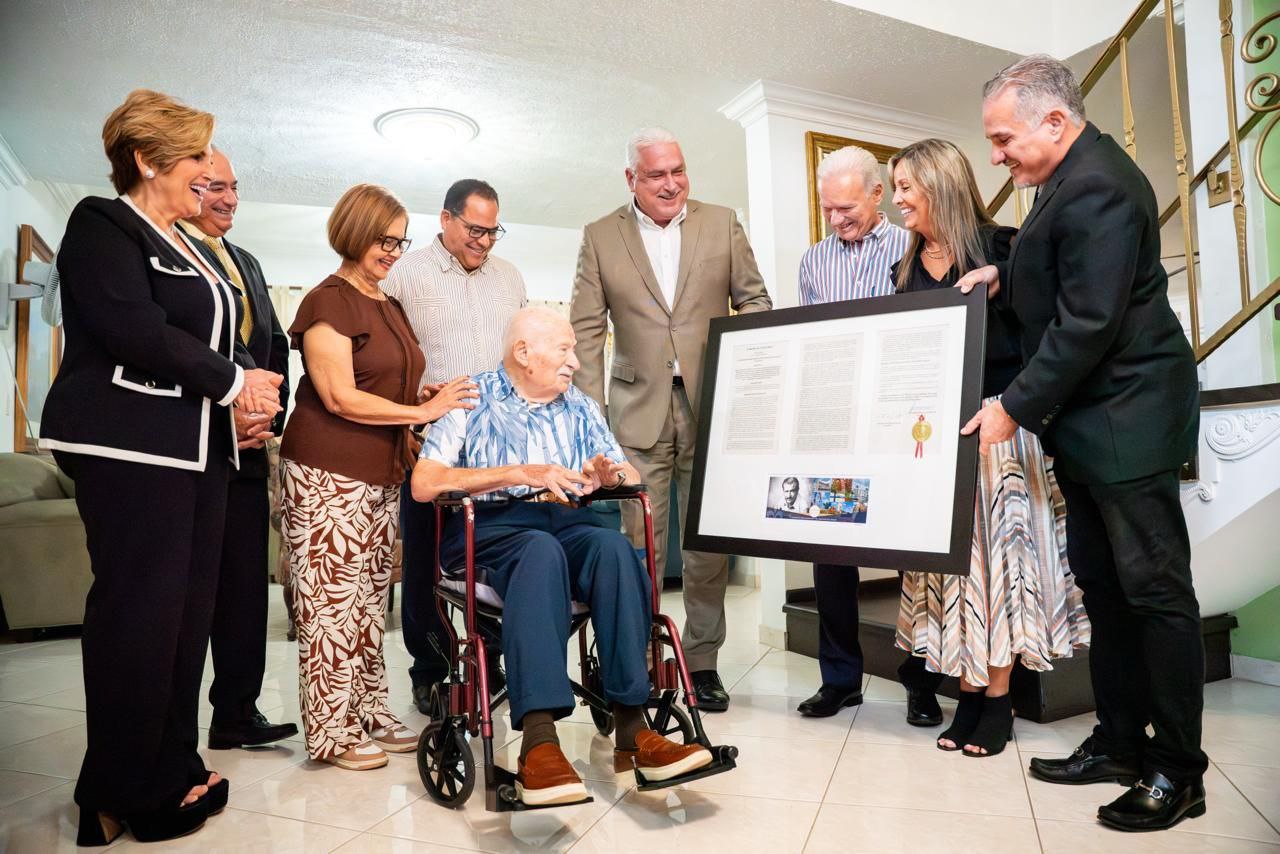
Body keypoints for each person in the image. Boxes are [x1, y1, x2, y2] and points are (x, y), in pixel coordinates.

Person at [958, 55, 1205, 830]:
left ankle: (1177, 773)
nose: (996, 155)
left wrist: (1013, 408)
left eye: (1003, 139)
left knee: (1155, 596)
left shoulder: (1098, 182)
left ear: (1055, 122)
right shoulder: (1066, 179)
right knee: (1104, 587)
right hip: (1097, 425)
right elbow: (1062, 269)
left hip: (1129, 420)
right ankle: (1121, 741)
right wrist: (1002, 276)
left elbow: (1088, 321)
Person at [39, 89, 284, 845]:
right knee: (137, 619)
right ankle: (118, 789)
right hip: (129, 451)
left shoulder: (183, 243)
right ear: (148, 161)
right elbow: (133, 328)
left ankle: (173, 764)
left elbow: (208, 338)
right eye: (196, 161)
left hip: (197, 452)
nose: (207, 176)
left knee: (183, 621)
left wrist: (243, 403)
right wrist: (234, 383)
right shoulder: (101, 223)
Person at [412, 307, 713, 806]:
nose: (575, 360)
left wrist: (608, 473)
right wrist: (517, 473)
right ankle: (539, 741)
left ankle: (634, 729)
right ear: (523, 352)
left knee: (614, 548)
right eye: (565, 349)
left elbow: (630, 477)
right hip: (491, 529)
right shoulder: (470, 398)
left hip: (566, 521)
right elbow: (425, 484)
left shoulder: (580, 405)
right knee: (540, 552)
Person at [887, 138, 1089, 757]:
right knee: (954, 577)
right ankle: (969, 689)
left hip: (1003, 433)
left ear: (940, 187)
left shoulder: (1006, 247)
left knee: (1002, 573)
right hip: (937, 441)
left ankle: (996, 698)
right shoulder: (907, 266)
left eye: (905, 188)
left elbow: (1050, 332)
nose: (897, 201)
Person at [571, 127, 772, 711]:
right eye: (656, 174)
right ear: (631, 179)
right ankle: (638, 662)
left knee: (708, 545)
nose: (670, 183)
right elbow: (586, 332)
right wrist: (594, 420)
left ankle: (702, 662)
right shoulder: (600, 236)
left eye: (678, 170)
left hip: (714, 410)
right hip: (636, 414)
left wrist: (746, 382)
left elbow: (755, 303)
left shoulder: (722, 222)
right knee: (642, 547)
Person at [279, 184, 478, 770]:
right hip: (326, 468)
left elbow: (381, 383)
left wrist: (422, 396)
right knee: (329, 607)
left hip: (380, 471)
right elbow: (339, 395)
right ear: (352, 233)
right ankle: (331, 732)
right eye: (382, 240)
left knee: (368, 603)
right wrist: (421, 414)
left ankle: (368, 711)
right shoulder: (328, 301)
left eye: (399, 241)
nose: (392, 251)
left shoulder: (387, 304)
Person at [794, 145, 945, 724]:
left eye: (847, 208)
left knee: (911, 550)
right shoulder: (813, 261)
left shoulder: (912, 245)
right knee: (830, 553)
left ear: (877, 195)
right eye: (828, 209)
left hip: (897, 423)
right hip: (836, 422)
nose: (836, 220)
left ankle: (920, 680)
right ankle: (840, 680)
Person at [381, 178, 527, 714]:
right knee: (427, 562)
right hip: (430, 444)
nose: (484, 241)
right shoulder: (405, 272)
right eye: (474, 229)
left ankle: (491, 661)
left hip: (497, 445)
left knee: (493, 553)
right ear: (445, 219)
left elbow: (521, 353)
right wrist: (415, 402)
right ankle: (432, 668)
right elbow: (387, 354)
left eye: (493, 231)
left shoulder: (510, 278)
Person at [180, 148, 299, 751]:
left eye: (234, 188)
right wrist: (232, 404)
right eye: (213, 187)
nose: (228, 199)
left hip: (250, 450)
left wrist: (270, 416)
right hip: (194, 442)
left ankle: (236, 712)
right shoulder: (168, 249)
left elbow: (273, 343)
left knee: (245, 589)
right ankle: (169, 731)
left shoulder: (247, 262)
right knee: (187, 594)